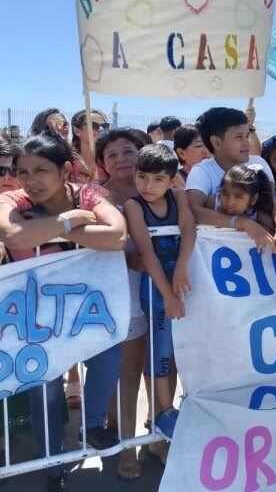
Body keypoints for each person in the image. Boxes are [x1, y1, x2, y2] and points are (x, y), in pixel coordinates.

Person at [0, 132, 127, 492]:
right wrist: (72, 221)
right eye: (22, 171)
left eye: (41, 170)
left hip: (88, 311)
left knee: (107, 360)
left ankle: (92, 426)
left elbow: (117, 235)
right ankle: (53, 462)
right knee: (46, 390)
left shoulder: (90, 194)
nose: (30, 180)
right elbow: (15, 236)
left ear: (66, 169)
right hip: (33, 318)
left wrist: (42, 231)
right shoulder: (12, 198)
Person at [124, 144, 196, 442]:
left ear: (171, 180)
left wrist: (181, 268)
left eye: (157, 179)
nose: (148, 185)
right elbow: (147, 253)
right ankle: (163, 413)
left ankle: (177, 408)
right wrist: (167, 294)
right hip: (155, 290)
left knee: (185, 350)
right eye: (143, 177)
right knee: (161, 354)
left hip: (182, 286)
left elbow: (189, 229)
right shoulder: (133, 205)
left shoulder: (177, 196)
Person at [95, 128, 154, 478]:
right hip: (118, 298)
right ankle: (127, 448)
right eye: (111, 155)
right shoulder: (93, 196)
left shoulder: (165, 189)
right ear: (102, 162)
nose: (120, 160)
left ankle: (153, 433)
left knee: (156, 368)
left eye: (127, 151)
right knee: (127, 373)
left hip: (160, 296)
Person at [185, 107, 276, 254]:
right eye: (239, 137)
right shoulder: (201, 171)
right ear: (216, 142)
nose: (247, 142)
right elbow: (195, 211)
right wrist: (243, 222)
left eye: (247, 135)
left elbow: (272, 200)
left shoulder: (259, 164)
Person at [207, 165, 274, 223]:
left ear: (253, 199)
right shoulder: (213, 203)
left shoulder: (257, 214)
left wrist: (248, 222)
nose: (229, 203)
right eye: (225, 194)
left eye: (238, 197)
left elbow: (269, 232)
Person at [71, 109, 109, 180]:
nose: (101, 129)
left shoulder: (109, 159)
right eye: (93, 125)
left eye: (104, 125)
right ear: (77, 131)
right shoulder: (67, 160)